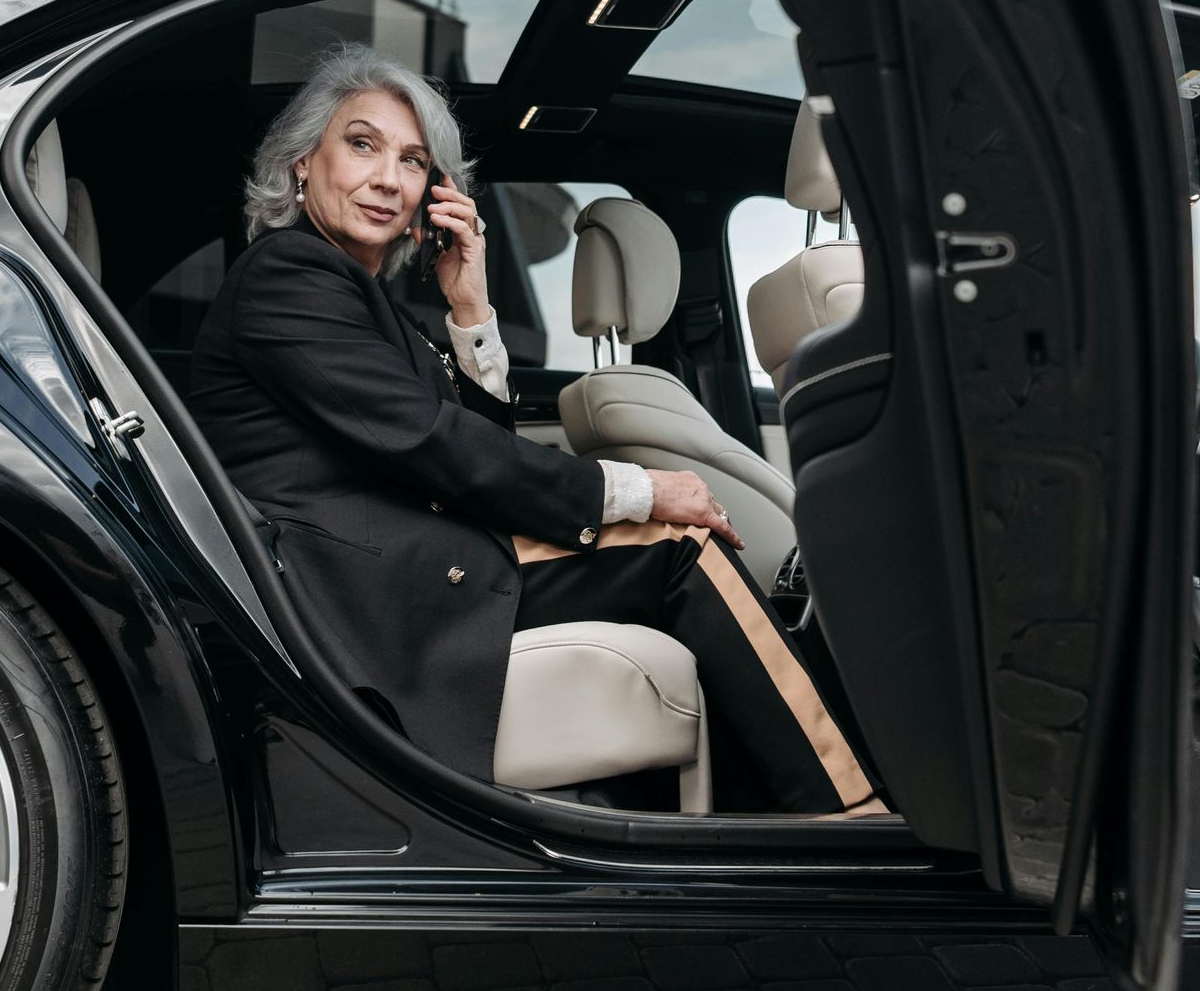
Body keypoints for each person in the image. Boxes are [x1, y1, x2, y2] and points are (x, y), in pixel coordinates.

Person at [190, 43, 879, 815]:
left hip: (410, 562)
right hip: (364, 595)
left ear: (433, 193)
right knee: (677, 547)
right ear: (300, 164)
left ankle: (774, 818)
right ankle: (847, 812)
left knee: (672, 550)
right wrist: (640, 489)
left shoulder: (361, 296)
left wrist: (471, 307)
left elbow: (464, 438)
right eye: (362, 144)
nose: (388, 177)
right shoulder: (291, 275)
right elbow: (436, 446)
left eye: (414, 162)